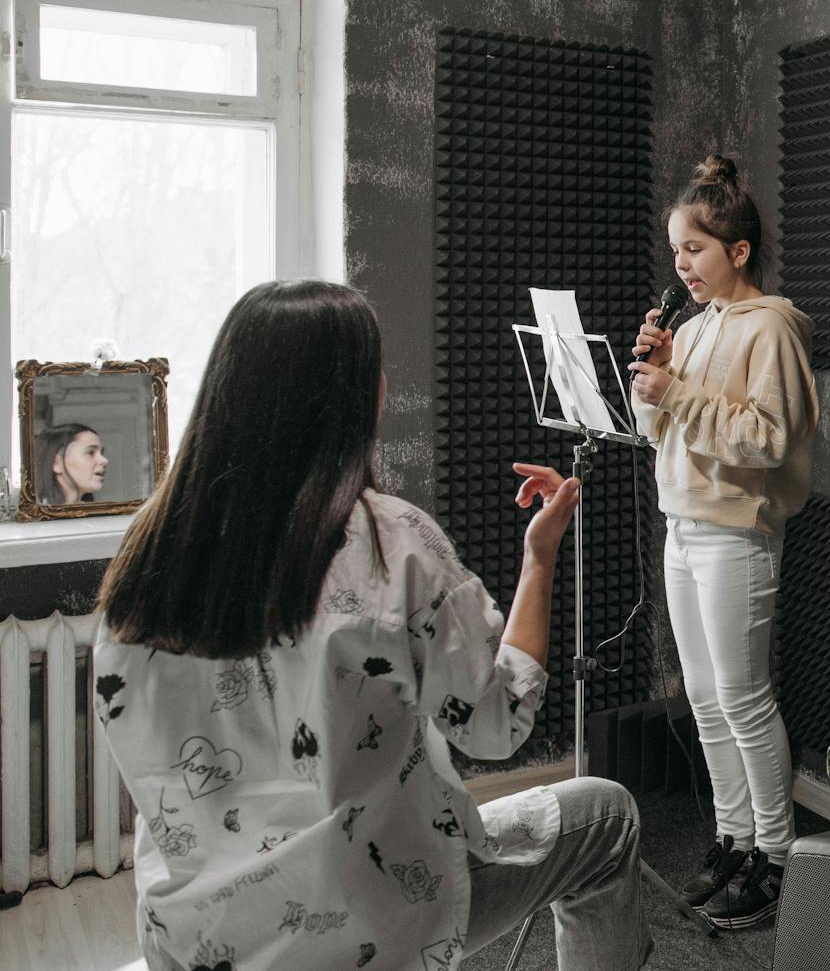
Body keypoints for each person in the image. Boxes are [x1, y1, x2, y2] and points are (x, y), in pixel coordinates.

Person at [93, 280, 653, 971]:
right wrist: (538, 560)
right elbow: (497, 723)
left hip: (194, 940)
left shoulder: (147, 557)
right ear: (358, 399)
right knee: (607, 815)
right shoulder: (393, 541)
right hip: (363, 927)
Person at [629, 154, 819, 930]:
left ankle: (776, 856)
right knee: (705, 701)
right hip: (684, 526)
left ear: (738, 252)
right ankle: (734, 838)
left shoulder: (769, 327)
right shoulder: (698, 328)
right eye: (675, 250)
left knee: (743, 699)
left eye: (696, 249)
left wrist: (676, 392)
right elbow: (659, 433)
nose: (682, 265)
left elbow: (769, 439)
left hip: (735, 533)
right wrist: (656, 379)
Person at [40, 422, 107, 504]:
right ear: (56, 463)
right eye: (90, 452)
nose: (104, 460)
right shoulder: (34, 513)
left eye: (102, 453)